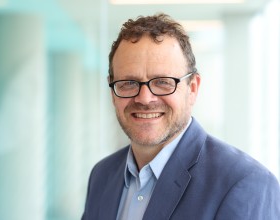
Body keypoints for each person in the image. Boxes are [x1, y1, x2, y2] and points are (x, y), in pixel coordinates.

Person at [82, 13, 280, 220]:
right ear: (113, 91)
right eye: (128, 83)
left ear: (192, 88)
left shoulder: (245, 184)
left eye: (163, 82)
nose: (145, 98)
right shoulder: (102, 175)